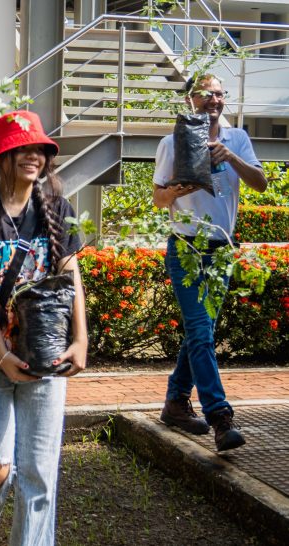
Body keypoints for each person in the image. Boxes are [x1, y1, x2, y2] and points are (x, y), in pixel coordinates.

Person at [0, 111, 88, 545]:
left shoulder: (58, 209)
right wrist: (3, 356)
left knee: (40, 473)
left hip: (48, 359)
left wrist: (80, 339)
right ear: (0, 157)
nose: (33, 156)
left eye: (39, 149)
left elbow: (71, 278)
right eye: (22, 148)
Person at [153, 74, 267, 452]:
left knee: (198, 333)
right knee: (201, 331)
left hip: (221, 249)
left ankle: (175, 401)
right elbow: (158, 199)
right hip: (185, 246)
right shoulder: (173, 142)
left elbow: (261, 184)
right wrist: (177, 189)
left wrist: (230, 156)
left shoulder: (238, 139)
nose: (213, 100)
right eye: (205, 94)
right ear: (191, 100)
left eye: (218, 94)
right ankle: (220, 417)